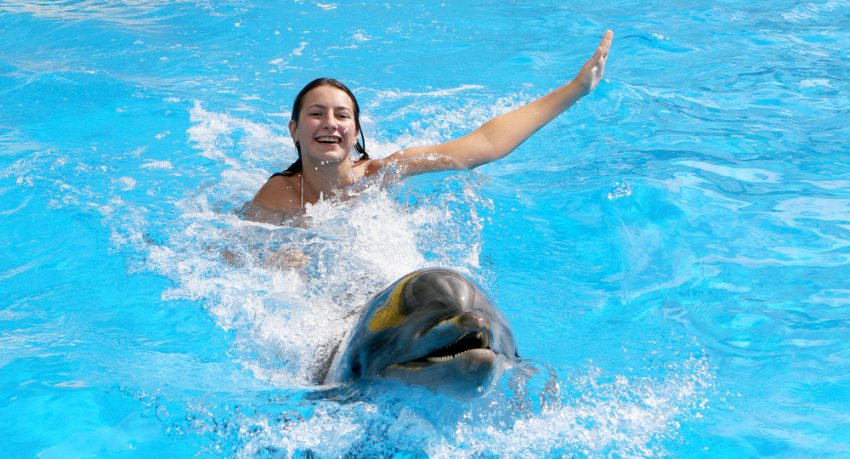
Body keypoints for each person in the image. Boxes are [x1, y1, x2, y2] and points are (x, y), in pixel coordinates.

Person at [247, 30, 613, 220]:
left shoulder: (382, 173)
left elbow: (485, 144)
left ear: (355, 132)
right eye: (316, 113)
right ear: (294, 129)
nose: (330, 124)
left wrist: (575, 89)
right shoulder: (277, 196)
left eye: (342, 116)